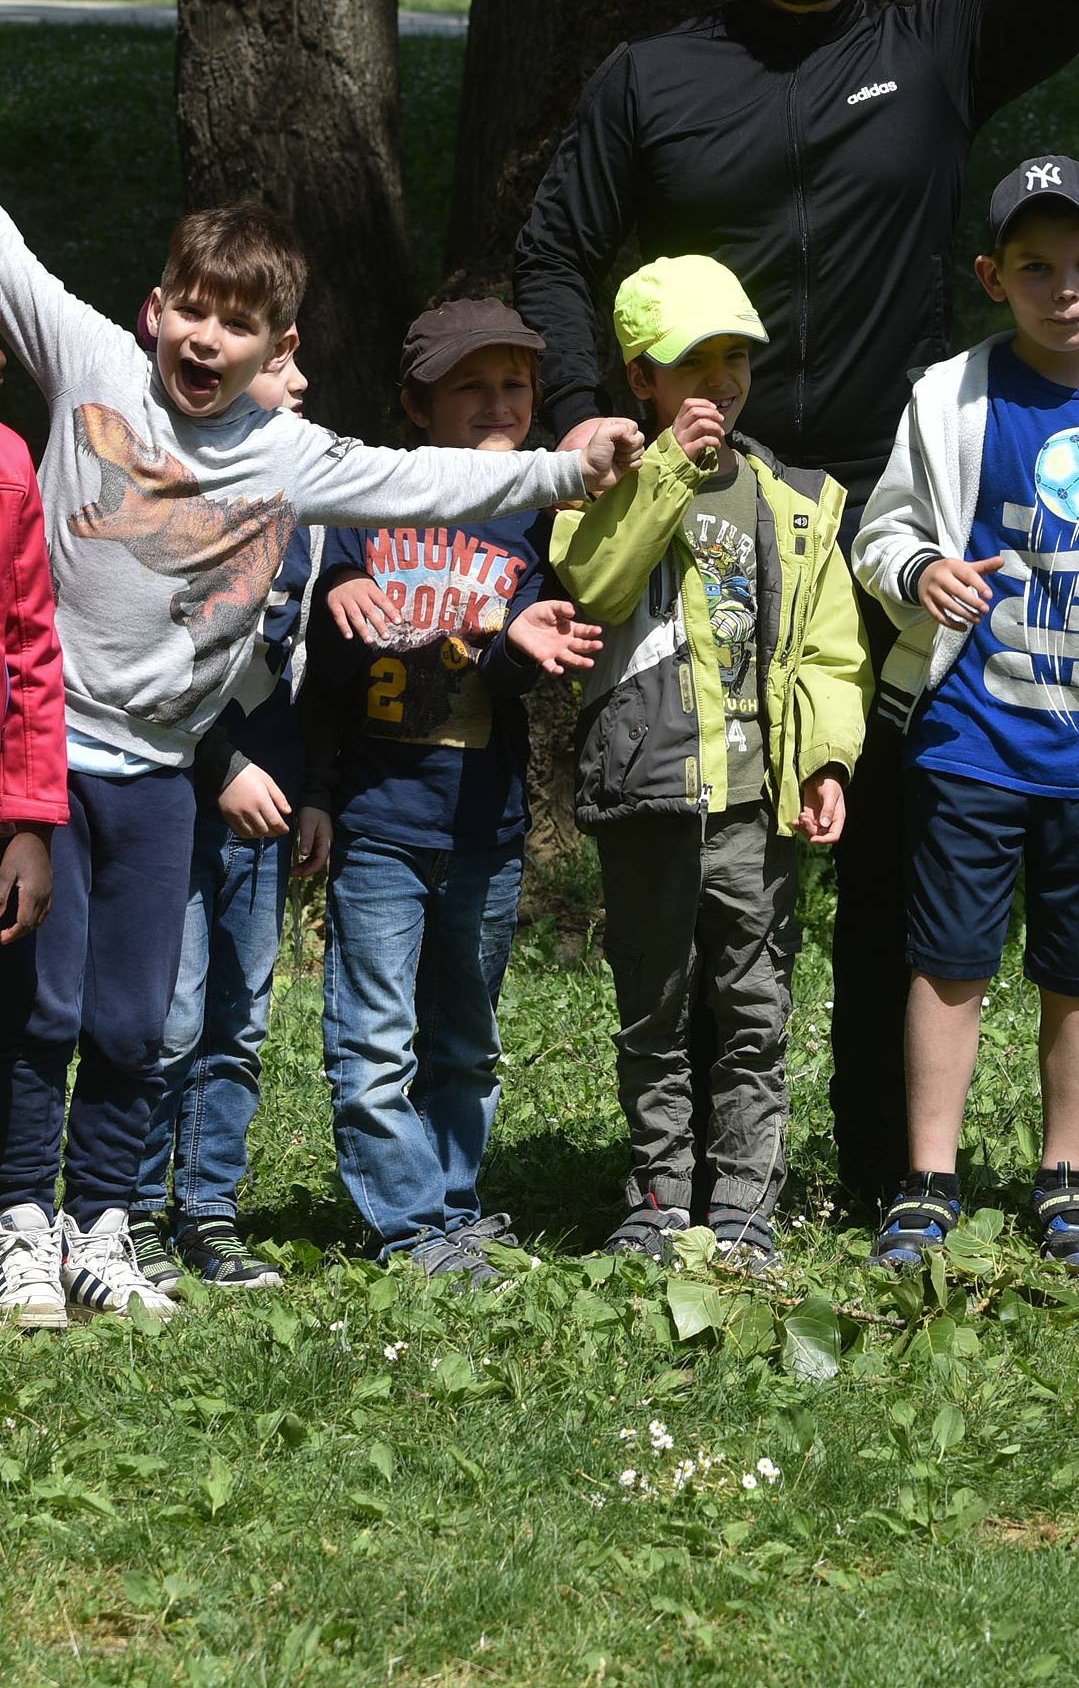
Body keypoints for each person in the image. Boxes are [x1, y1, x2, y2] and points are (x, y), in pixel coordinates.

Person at [513, 0, 1079, 1205]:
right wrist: (586, 406)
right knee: (714, 850)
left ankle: (877, 1169)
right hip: (709, 516)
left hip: (892, 519)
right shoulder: (651, 79)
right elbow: (555, 245)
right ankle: (706, 1178)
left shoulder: (936, 48)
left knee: (898, 844)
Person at [0, 201, 640, 1323]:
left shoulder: (287, 456)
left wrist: (564, 470)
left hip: (161, 770)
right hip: (50, 756)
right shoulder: (90, 358)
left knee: (133, 1021)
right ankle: (17, 1224)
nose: (205, 337)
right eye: (189, 309)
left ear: (277, 350)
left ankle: (101, 1225)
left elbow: (430, 481)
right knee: (40, 1011)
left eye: (236, 323)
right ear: (155, 311)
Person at [852, 156, 1079, 1274]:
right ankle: (929, 1178)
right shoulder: (951, 397)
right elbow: (881, 535)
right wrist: (920, 575)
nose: (1065, 286)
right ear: (992, 276)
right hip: (973, 732)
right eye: (1035, 266)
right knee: (950, 958)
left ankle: (1065, 1178)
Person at [549, 256, 871, 1269]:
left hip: (751, 805)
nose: (722, 381)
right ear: (643, 376)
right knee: (652, 1010)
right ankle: (655, 1196)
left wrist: (824, 761)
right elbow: (594, 581)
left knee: (752, 1011)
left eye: (736, 357)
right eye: (695, 361)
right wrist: (669, 476)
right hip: (647, 794)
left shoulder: (797, 500)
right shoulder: (603, 484)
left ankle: (742, 1203)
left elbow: (829, 647)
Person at [302, 301, 606, 1278]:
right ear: (417, 401)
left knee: (467, 1042)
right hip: (380, 821)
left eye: (515, 384)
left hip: (483, 827)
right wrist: (332, 602)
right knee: (378, 1045)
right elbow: (327, 676)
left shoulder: (533, 517)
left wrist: (513, 646)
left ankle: (454, 1206)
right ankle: (413, 1226)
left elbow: (534, 657)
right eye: (471, 384)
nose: (497, 400)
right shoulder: (367, 504)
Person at [130, 343, 325, 1295]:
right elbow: (151, 663)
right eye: (281, 356)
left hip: (271, 810)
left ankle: (207, 1212)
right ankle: (125, 1214)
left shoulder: (310, 496)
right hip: (177, 795)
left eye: (297, 353)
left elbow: (310, 664)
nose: (299, 375)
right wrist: (222, 765)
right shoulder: (170, 491)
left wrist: (314, 787)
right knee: (168, 1017)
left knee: (239, 1021)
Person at [0, 345, 64, 1326]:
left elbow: (31, 645)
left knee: (11, 1026)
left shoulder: (11, 464)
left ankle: (17, 1223)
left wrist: (28, 821)